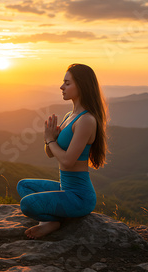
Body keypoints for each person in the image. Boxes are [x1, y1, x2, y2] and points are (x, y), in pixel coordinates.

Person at [17, 63, 108, 239]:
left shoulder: (86, 120)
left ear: (81, 85)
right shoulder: (69, 116)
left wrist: (51, 139)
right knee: (23, 185)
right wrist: (49, 138)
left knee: (27, 204)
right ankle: (52, 219)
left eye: (67, 83)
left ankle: (50, 221)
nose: (61, 87)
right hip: (64, 188)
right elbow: (50, 153)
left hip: (80, 197)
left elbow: (67, 161)